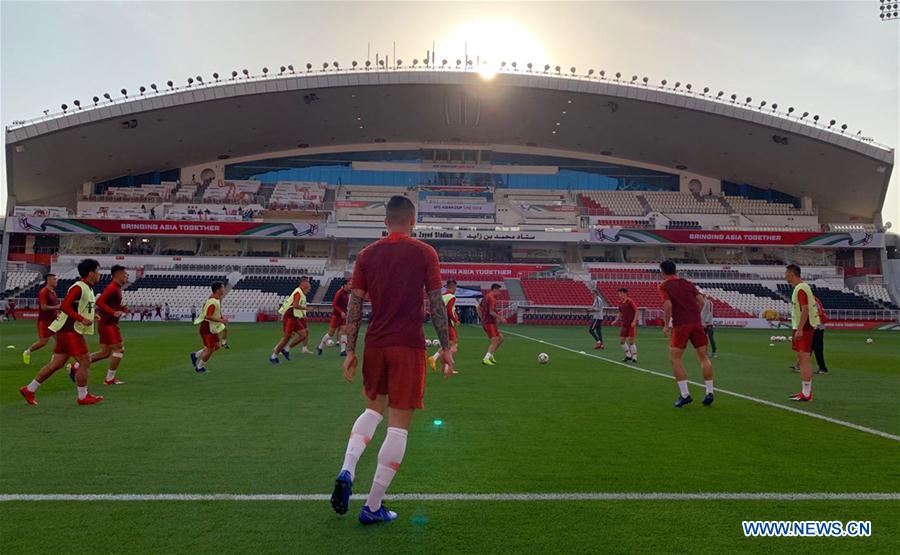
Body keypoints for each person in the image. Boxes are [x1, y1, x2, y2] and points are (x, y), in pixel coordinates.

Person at [330, 195, 453, 525]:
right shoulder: (425, 252)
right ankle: (372, 507)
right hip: (408, 346)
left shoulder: (367, 255)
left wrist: (351, 349)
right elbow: (436, 302)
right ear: (413, 221)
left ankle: (347, 468)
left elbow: (355, 306)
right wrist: (446, 346)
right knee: (399, 426)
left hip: (375, 344)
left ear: (385, 222)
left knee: (372, 409)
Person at [19, 259, 104, 406]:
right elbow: (65, 306)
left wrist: (91, 315)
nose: (99, 274)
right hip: (71, 330)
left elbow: (78, 306)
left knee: (56, 364)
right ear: (90, 273)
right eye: (97, 271)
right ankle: (83, 396)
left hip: (66, 331)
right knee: (85, 361)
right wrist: (81, 318)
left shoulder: (87, 288)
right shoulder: (79, 287)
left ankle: (29, 389)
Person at [659, 260, 714, 408]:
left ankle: (685, 395)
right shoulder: (687, 283)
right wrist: (695, 314)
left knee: (675, 359)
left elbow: (668, 305)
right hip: (696, 324)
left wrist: (666, 325)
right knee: (703, 358)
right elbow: (702, 301)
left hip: (681, 325)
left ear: (662, 272)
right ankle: (709, 392)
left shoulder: (664, 285)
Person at [69, 265, 129, 385]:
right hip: (108, 324)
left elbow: (107, 303)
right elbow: (99, 302)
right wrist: (113, 312)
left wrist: (120, 308)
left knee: (105, 353)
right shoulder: (113, 288)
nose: (127, 276)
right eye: (125, 274)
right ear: (118, 274)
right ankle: (109, 379)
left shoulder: (116, 288)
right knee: (119, 349)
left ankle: (76, 365)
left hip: (107, 323)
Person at [786, 264, 820, 401]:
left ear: (792, 274)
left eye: (786, 273)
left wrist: (800, 329)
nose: (785, 276)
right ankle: (805, 391)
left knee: (804, 359)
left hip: (805, 328)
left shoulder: (800, 289)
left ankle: (806, 393)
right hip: (802, 327)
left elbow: (805, 309)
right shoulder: (800, 288)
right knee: (802, 358)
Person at [270, 276, 312, 363]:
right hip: (289, 316)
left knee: (303, 334)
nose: (309, 285)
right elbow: (295, 305)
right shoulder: (298, 292)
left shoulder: (301, 293)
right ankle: (274, 357)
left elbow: (296, 306)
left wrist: (303, 314)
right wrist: (306, 309)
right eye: (307, 282)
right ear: (303, 283)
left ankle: (286, 349)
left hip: (294, 317)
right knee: (286, 337)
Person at [190, 282, 228, 373]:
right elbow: (208, 316)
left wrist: (221, 319)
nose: (224, 289)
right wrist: (221, 320)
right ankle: (199, 368)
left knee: (217, 346)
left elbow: (215, 313)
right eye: (223, 288)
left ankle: (195, 355)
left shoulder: (215, 299)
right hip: (207, 328)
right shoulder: (213, 301)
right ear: (218, 290)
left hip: (211, 327)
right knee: (210, 349)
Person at [23, 274, 60, 364]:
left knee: (60, 340)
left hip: (54, 320)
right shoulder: (43, 292)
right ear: (48, 280)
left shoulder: (53, 292)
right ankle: (27, 352)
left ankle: (54, 360)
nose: (56, 281)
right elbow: (43, 307)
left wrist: (58, 313)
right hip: (44, 321)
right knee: (43, 342)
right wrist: (57, 307)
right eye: (54, 279)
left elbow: (53, 306)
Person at [429, 280, 460, 373]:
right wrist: (455, 320)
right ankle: (436, 359)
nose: (456, 289)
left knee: (448, 344)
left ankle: (444, 367)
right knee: (452, 345)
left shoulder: (443, 296)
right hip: (449, 323)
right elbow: (449, 310)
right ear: (453, 286)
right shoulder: (452, 297)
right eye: (455, 287)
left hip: (442, 322)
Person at [317, 279, 351, 356]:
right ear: (345, 285)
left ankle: (343, 351)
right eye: (349, 284)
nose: (350, 286)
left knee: (344, 332)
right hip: (336, 316)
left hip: (343, 316)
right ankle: (320, 347)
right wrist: (341, 312)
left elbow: (344, 305)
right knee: (331, 334)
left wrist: (346, 312)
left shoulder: (347, 293)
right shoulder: (339, 293)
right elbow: (334, 304)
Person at [477, 284, 504, 366]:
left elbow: (478, 307)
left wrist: (482, 318)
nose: (500, 293)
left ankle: (491, 355)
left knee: (501, 338)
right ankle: (486, 359)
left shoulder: (486, 296)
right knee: (495, 341)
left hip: (488, 322)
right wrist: (500, 318)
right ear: (495, 289)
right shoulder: (492, 298)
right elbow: (491, 312)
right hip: (489, 323)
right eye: (499, 291)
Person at [613, 288, 638, 363]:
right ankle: (628, 355)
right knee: (622, 341)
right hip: (624, 324)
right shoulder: (620, 303)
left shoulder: (630, 301)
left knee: (631, 341)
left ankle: (634, 357)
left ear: (625, 293)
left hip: (631, 324)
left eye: (620, 293)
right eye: (619, 293)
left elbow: (636, 311)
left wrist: (634, 321)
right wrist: (615, 320)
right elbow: (620, 313)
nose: (619, 295)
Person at [812, 295, 828, 374]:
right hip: (816, 326)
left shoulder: (813, 300)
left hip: (817, 327)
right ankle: (800, 365)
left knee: (817, 348)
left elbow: (819, 312)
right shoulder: (814, 299)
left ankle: (822, 368)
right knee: (809, 348)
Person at [700, 293, 717, 357]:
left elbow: (710, 312)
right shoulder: (703, 302)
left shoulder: (708, 302)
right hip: (703, 324)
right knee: (704, 338)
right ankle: (705, 352)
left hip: (708, 324)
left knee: (711, 338)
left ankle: (714, 352)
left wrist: (706, 322)